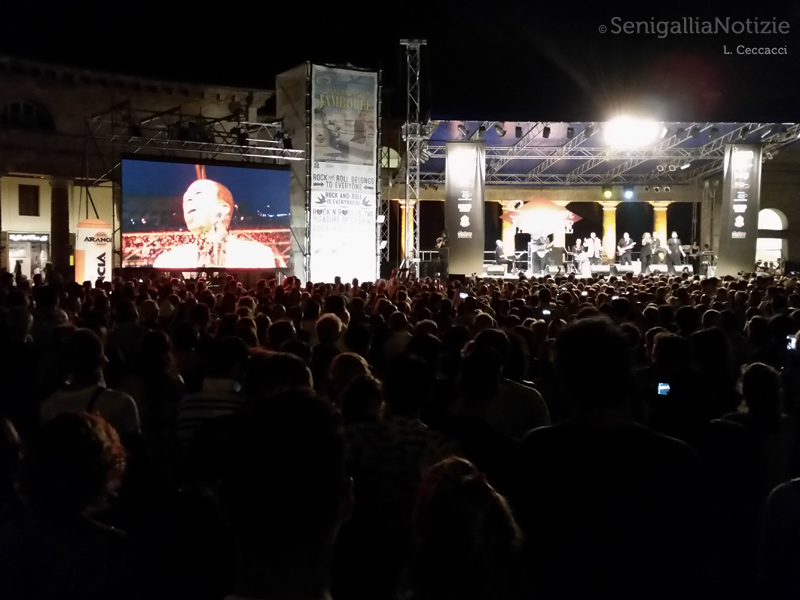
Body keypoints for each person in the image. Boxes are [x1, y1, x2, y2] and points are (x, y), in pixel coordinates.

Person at [153, 179, 277, 269]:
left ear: (223, 209)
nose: (187, 199)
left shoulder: (257, 256)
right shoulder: (167, 261)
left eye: (198, 193)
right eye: (186, 197)